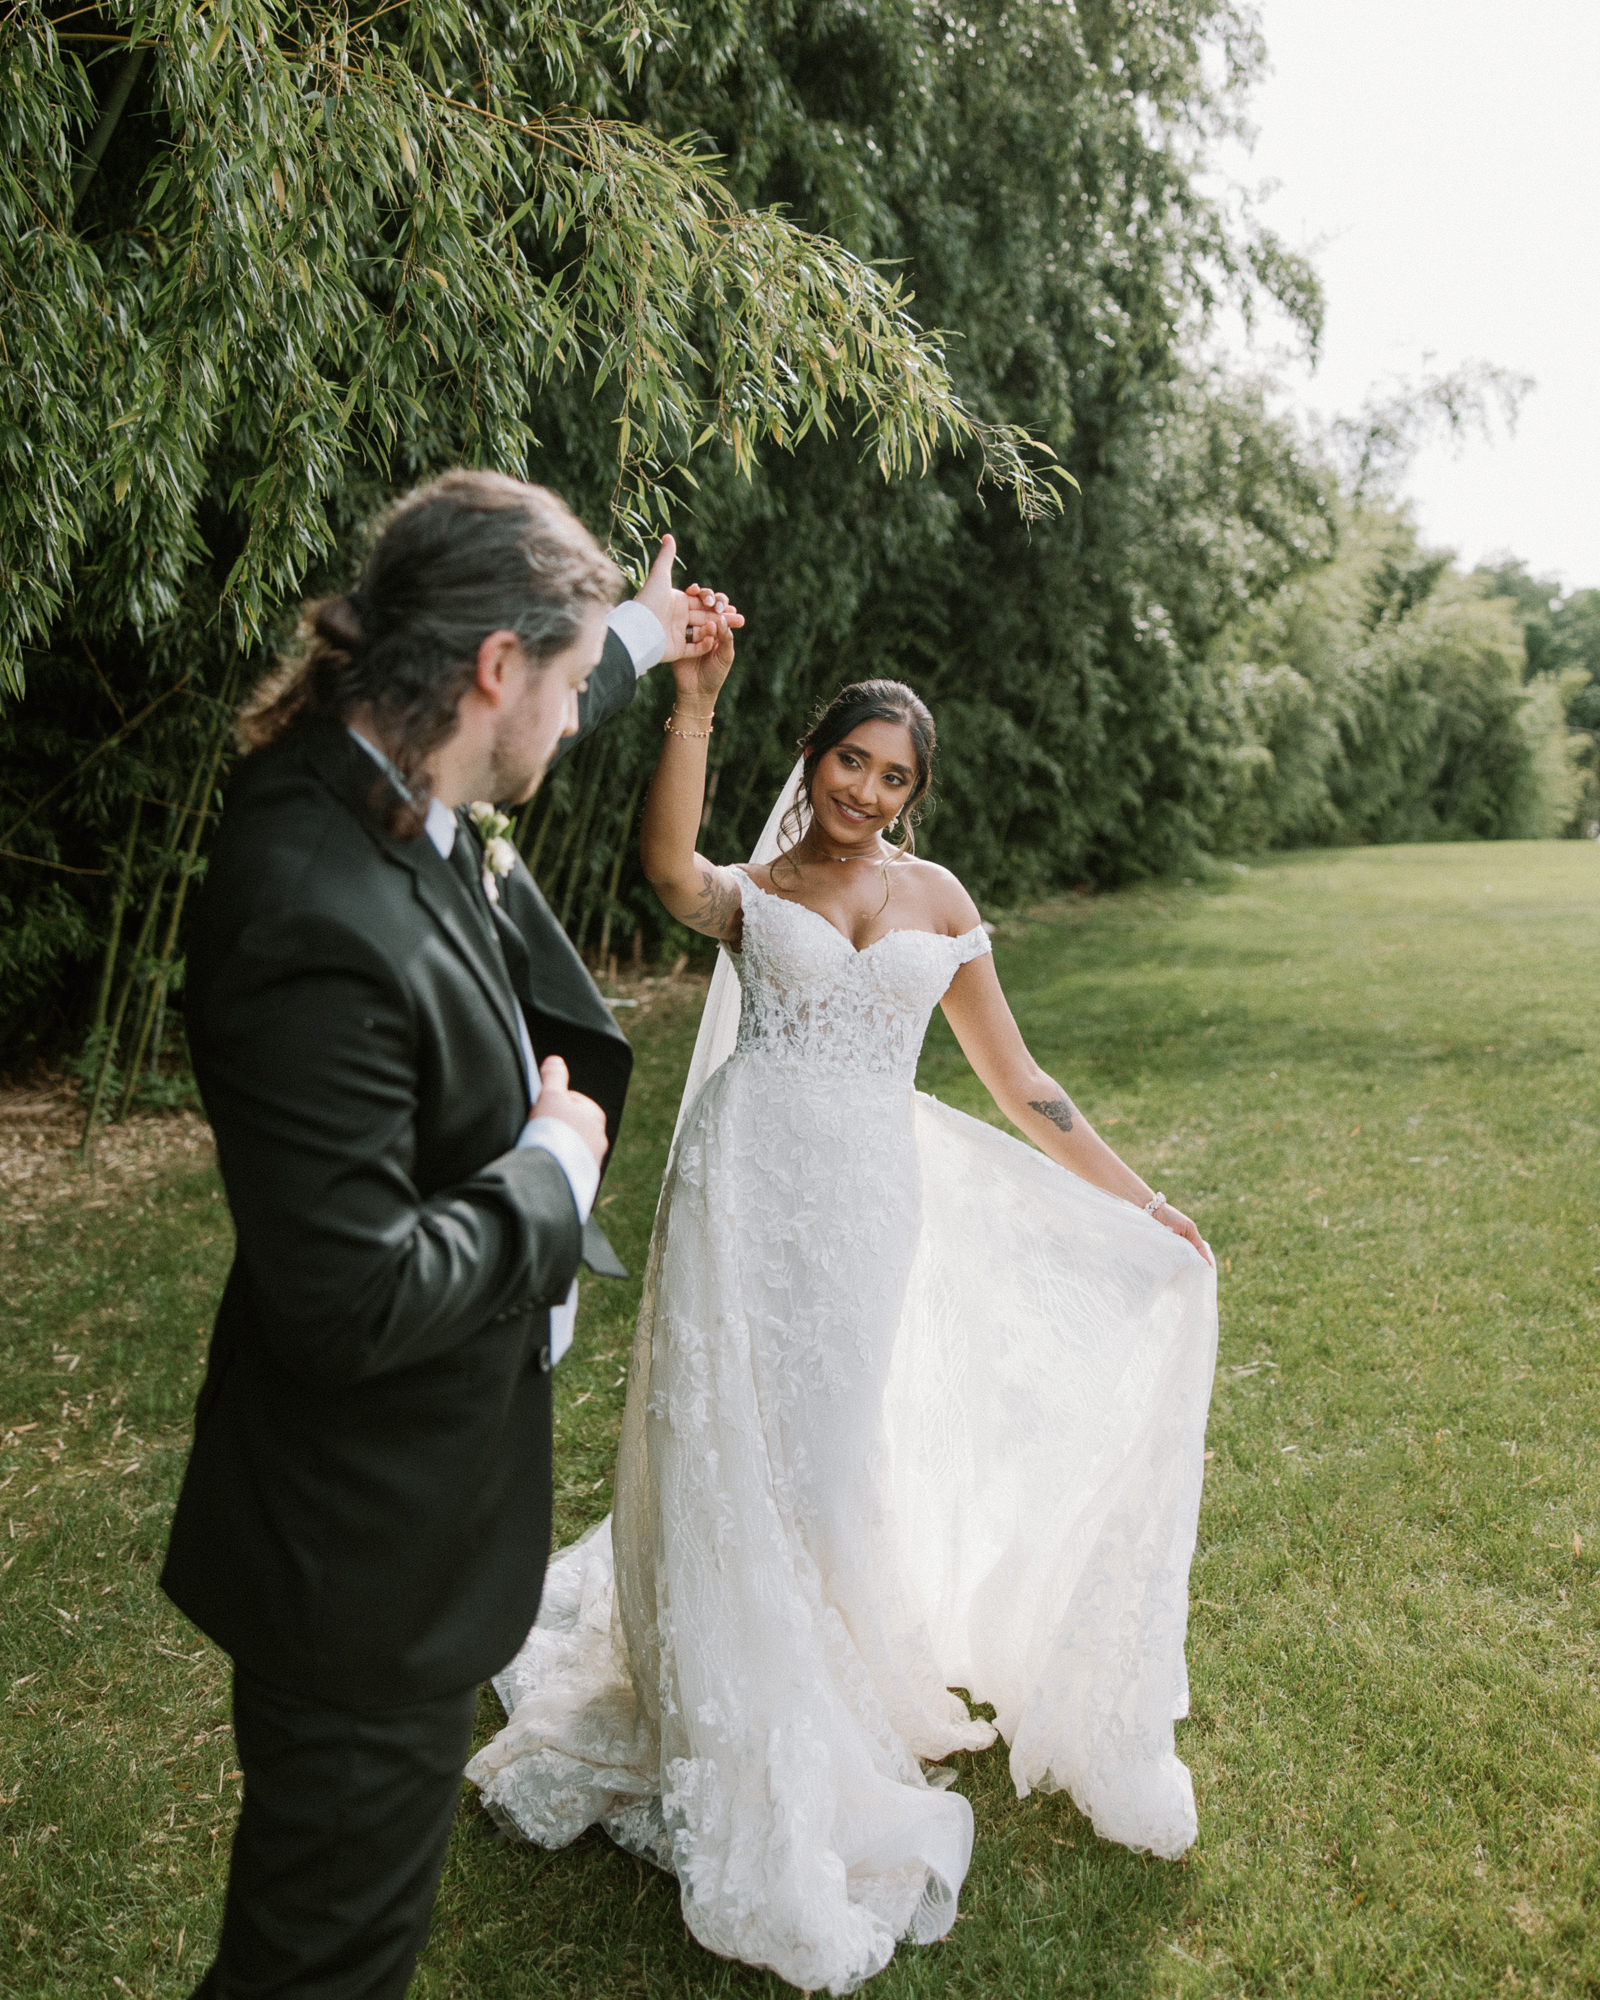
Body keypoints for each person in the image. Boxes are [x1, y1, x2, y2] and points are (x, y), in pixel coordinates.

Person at [468, 625, 1220, 1992]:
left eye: (889, 776)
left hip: (864, 1210)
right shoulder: (757, 886)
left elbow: (1022, 1082)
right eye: (847, 761)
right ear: (811, 759)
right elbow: (663, 870)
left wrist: (1139, 1198)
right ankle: (730, 1704)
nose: (863, 791)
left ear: (915, 792)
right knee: (726, 1451)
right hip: (742, 1187)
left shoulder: (940, 901)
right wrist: (692, 700)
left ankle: (824, 1671)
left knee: (825, 1451)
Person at [160, 468, 738, 2000]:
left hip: (405, 1521)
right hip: (362, 1567)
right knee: (320, 1965)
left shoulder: (398, 763)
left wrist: (638, 634)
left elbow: (563, 681)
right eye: (555, 681)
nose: (563, 719)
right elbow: (351, 1296)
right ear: (491, 670)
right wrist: (553, 1165)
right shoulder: (307, 906)